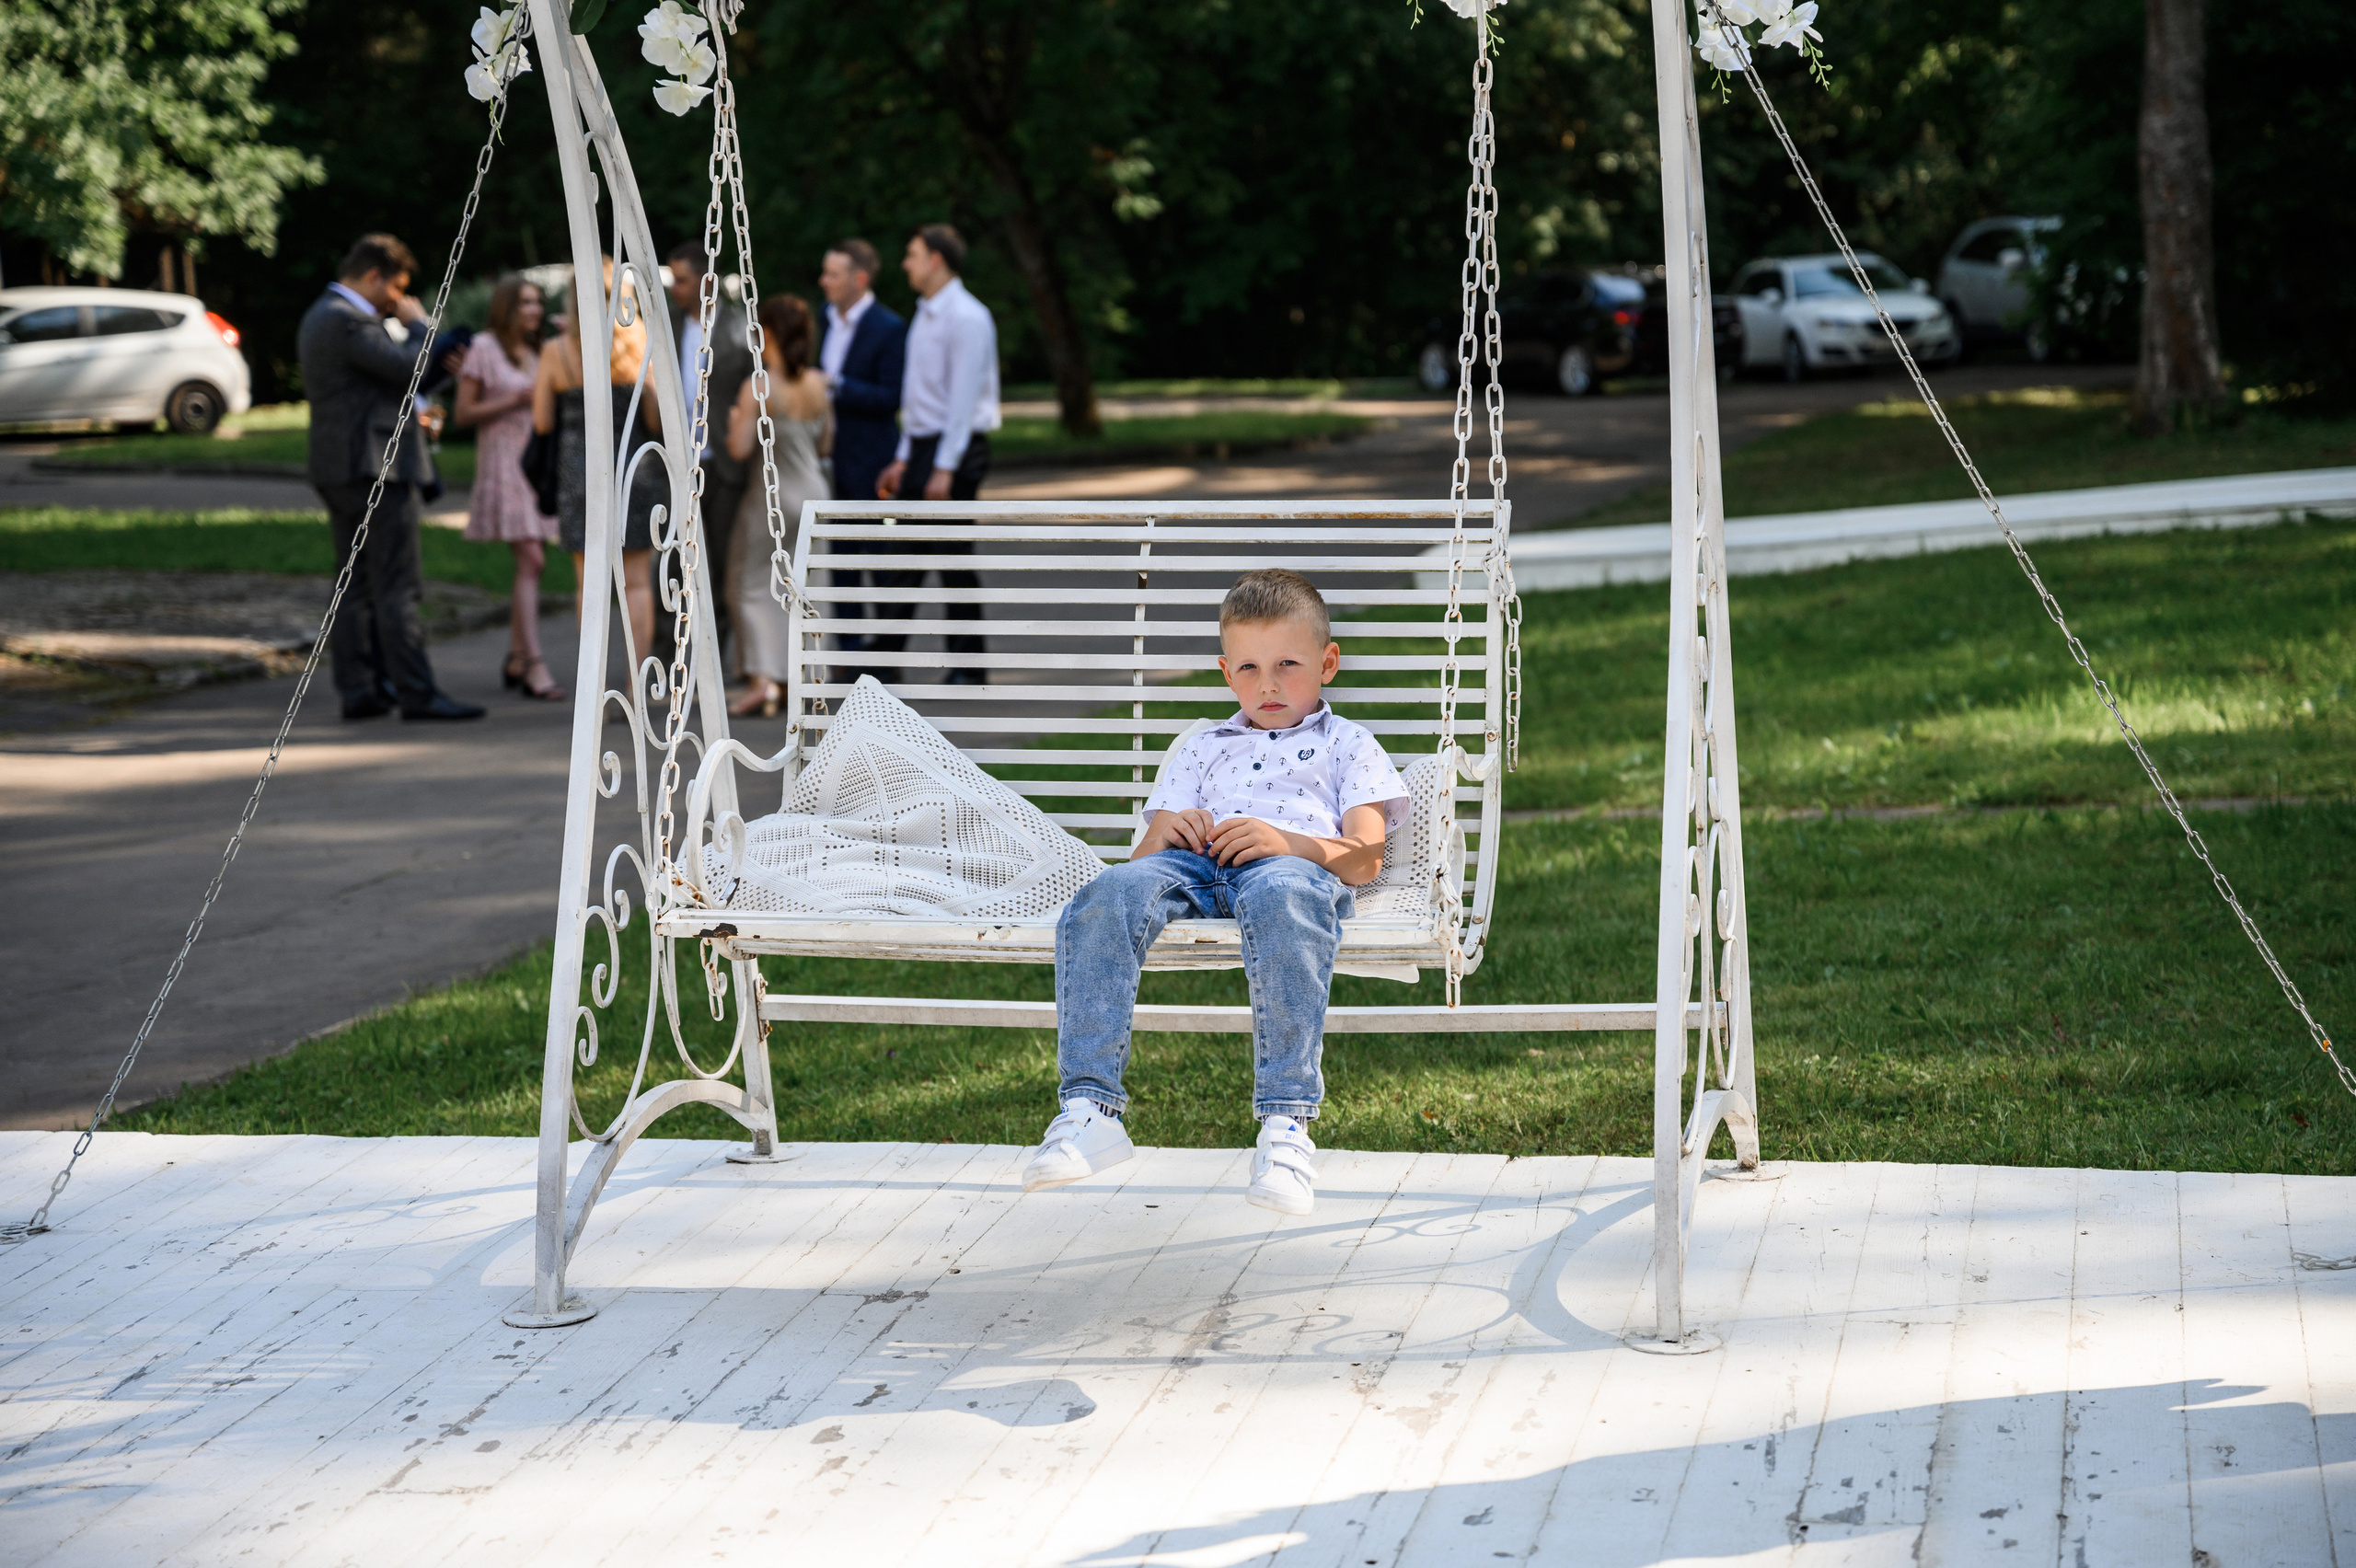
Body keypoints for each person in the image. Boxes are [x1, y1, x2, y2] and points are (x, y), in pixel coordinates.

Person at [1022, 571, 1409, 1218]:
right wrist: (1168, 831)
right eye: (1251, 668)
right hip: (1198, 866)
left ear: (1328, 663)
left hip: (1288, 870)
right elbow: (1141, 868)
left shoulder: (1348, 745)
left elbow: (1365, 858)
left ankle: (1286, 1128)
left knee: (1285, 898)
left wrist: (1287, 843)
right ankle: (1090, 1111)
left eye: (1289, 665)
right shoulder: (1203, 745)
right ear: (1227, 673)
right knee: (1104, 896)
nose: (1270, 685)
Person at [297, 233, 484, 721]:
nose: (398, 300)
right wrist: (422, 327)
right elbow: (409, 367)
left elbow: (381, 384)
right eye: (396, 288)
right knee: (397, 584)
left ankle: (362, 689)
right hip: (373, 465)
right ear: (374, 276)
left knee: (355, 583)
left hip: (344, 464)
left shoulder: (324, 315)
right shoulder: (345, 320)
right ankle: (417, 693)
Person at [872, 225, 999, 679]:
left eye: (912, 254)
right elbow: (920, 397)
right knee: (914, 556)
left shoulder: (966, 316)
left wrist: (944, 468)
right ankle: (888, 662)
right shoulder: (925, 314)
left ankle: (964, 664)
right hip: (926, 445)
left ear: (936, 260)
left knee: (948, 557)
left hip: (956, 449)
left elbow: (962, 402)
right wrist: (906, 455)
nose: (905, 264)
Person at [534, 258, 667, 661]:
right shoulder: (641, 339)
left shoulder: (556, 350)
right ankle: (633, 686)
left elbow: (541, 422)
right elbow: (655, 420)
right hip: (634, 468)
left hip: (580, 472)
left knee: (589, 585)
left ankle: (596, 696)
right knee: (638, 584)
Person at [453, 273, 565, 703]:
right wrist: (513, 400)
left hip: (537, 465)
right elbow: (463, 413)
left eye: (537, 302)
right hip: (503, 462)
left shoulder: (541, 351)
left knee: (533, 562)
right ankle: (534, 663)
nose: (534, 310)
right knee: (532, 558)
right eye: (525, 303)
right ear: (506, 307)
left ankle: (517, 657)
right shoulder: (484, 347)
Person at [723, 294, 831, 718]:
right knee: (807, 591)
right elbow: (826, 444)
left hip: (770, 495)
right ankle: (800, 681)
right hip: (815, 494)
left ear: (767, 333)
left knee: (747, 585)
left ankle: (763, 679)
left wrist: (736, 419)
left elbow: (739, 448)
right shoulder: (819, 384)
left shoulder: (760, 385)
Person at [663, 240, 755, 664]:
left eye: (681, 280)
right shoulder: (665, 326)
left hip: (721, 461)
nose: (675, 288)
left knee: (718, 560)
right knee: (674, 559)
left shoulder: (738, 328)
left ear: (705, 281)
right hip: (675, 461)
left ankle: (713, 657)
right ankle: (673, 651)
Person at [814, 238, 905, 658]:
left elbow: (890, 397)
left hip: (872, 459)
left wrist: (838, 385)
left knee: (881, 555)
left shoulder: (888, 327)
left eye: (833, 274)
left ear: (859, 279)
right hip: (829, 459)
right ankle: (849, 649)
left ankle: (884, 651)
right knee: (841, 556)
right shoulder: (824, 319)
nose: (824, 281)